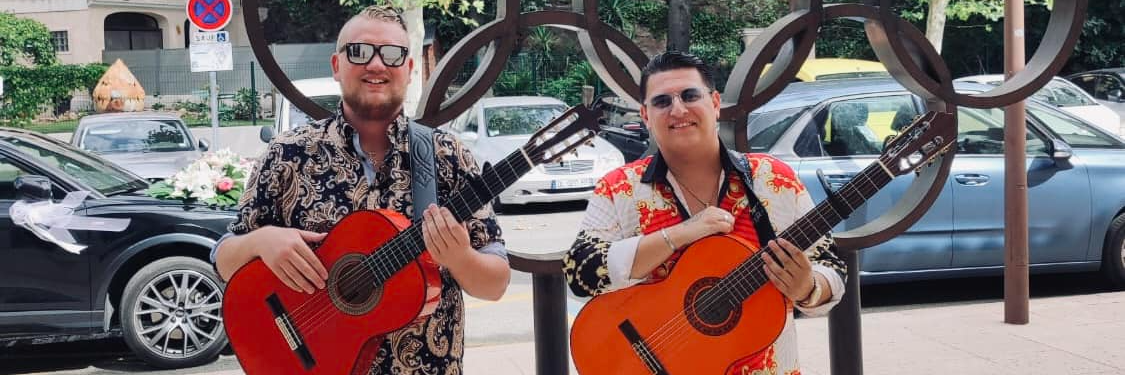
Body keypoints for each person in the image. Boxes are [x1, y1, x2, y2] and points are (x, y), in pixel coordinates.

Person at [210, 5, 510, 373]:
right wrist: (261, 241)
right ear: (337, 65)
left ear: (410, 68)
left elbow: (495, 285)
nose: (376, 65)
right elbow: (224, 261)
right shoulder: (286, 155)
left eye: (392, 54)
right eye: (359, 51)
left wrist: (460, 257)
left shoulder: (446, 155)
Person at [563, 51, 847, 373]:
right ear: (645, 115)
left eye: (689, 95)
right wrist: (679, 235)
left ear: (714, 103)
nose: (678, 110)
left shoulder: (774, 179)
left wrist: (808, 287)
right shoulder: (620, 188)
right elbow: (580, 272)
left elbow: (831, 265)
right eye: (662, 102)